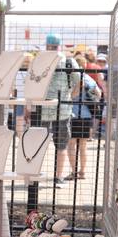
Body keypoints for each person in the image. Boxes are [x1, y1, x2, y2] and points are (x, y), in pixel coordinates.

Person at [24, 34, 81, 185]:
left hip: (40, 108)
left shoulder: (38, 61)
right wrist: (69, 97)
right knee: (61, 145)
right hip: (62, 108)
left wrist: (27, 108)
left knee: (36, 143)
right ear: (59, 45)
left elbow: (30, 86)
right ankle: (59, 176)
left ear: (46, 45)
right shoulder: (69, 62)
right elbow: (77, 83)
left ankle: (34, 175)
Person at [65, 52, 100, 181]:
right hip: (87, 116)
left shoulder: (72, 79)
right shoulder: (89, 79)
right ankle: (82, 172)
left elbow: (72, 96)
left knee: (71, 145)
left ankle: (74, 172)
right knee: (83, 146)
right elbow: (99, 94)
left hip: (73, 115)